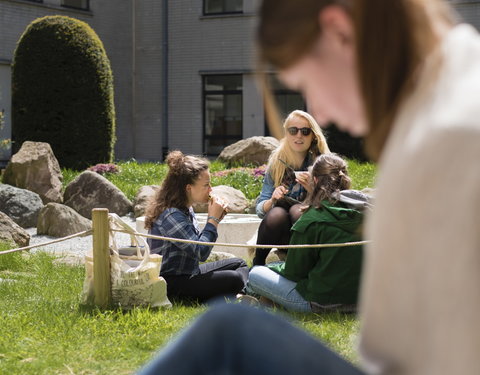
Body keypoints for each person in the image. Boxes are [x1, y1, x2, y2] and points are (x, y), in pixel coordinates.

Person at [138, 0, 480, 373]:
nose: (321, 112)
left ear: (338, 31)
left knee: (225, 328)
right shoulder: (456, 87)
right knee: (229, 324)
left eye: (305, 81)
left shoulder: (447, 140)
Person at [248, 153, 369, 313]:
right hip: (362, 301)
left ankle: (252, 296)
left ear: (316, 181)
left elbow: (294, 273)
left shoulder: (311, 219)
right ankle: (266, 300)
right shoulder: (368, 213)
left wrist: (273, 268)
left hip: (321, 304)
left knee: (256, 273)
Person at [144, 150, 249, 303]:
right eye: (206, 185)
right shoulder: (171, 215)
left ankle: (239, 296)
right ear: (188, 188)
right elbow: (201, 253)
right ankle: (234, 294)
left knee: (239, 264)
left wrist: (216, 219)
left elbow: (196, 248)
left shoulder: (186, 207)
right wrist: (212, 219)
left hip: (189, 272)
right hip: (171, 282)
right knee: (234, 278)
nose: (211, 189)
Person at [253, 109, 330, 266]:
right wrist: (272, 200)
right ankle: (257, 264)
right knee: (276, 213)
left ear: (313, 135)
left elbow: (335, 206)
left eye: (305, 131)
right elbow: (260, 209)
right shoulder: (277, 163)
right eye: (293, 131)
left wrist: (313, 190)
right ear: (287, 134)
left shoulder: (324, 163)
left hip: (314, 235)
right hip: (281, 232)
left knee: (297, 210)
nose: (298, 136)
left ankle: (305, 266)